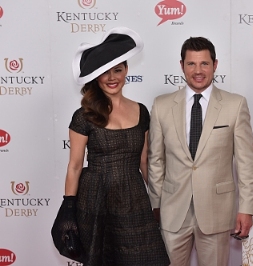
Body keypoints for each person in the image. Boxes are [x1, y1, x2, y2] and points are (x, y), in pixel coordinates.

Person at [60, 27, 170, 266]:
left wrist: (160, 199)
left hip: (133, 198)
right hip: (95, 199)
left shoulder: (141, 111)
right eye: (104, 72)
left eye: (117, 70)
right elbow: (75, 166)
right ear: (96, 77)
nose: (112, 77)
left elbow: (144, 161)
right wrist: (69, 207)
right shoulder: (84, 115)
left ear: (127, 70)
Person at [148, 36, 253, 266]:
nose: (198, 71)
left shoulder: (235, 105)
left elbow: (246, 162)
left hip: (216, 211)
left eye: (204, 64)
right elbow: (156, 161)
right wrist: (155, 205)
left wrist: (247, 208)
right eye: (191, 64)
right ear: (182, 66)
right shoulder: (161, 105)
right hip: (172, 211)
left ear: (215, 65)